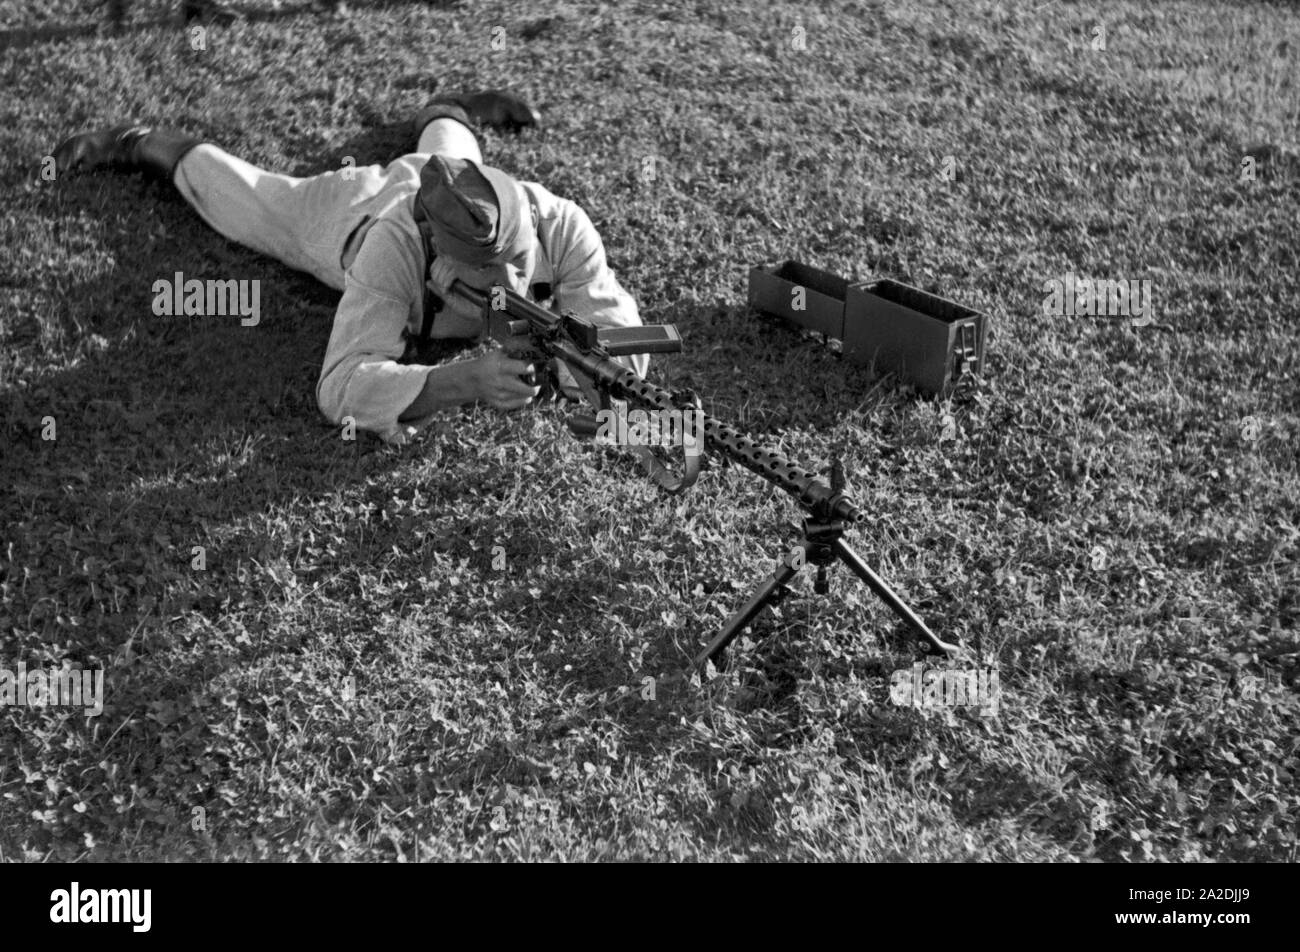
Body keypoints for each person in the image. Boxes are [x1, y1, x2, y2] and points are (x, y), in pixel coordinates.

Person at [50, 90, 649, 444]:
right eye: (486, 276)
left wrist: (588, 374)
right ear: (439, 256)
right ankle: (143, 140)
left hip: (447, 183)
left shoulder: (557, 220)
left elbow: (618, 331)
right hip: (356, 214)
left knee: (447, 157)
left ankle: (449, 105)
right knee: (261, 204)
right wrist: (462, 381)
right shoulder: (394, 246)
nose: (511, 288)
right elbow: (341, 389)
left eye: (518, 264)